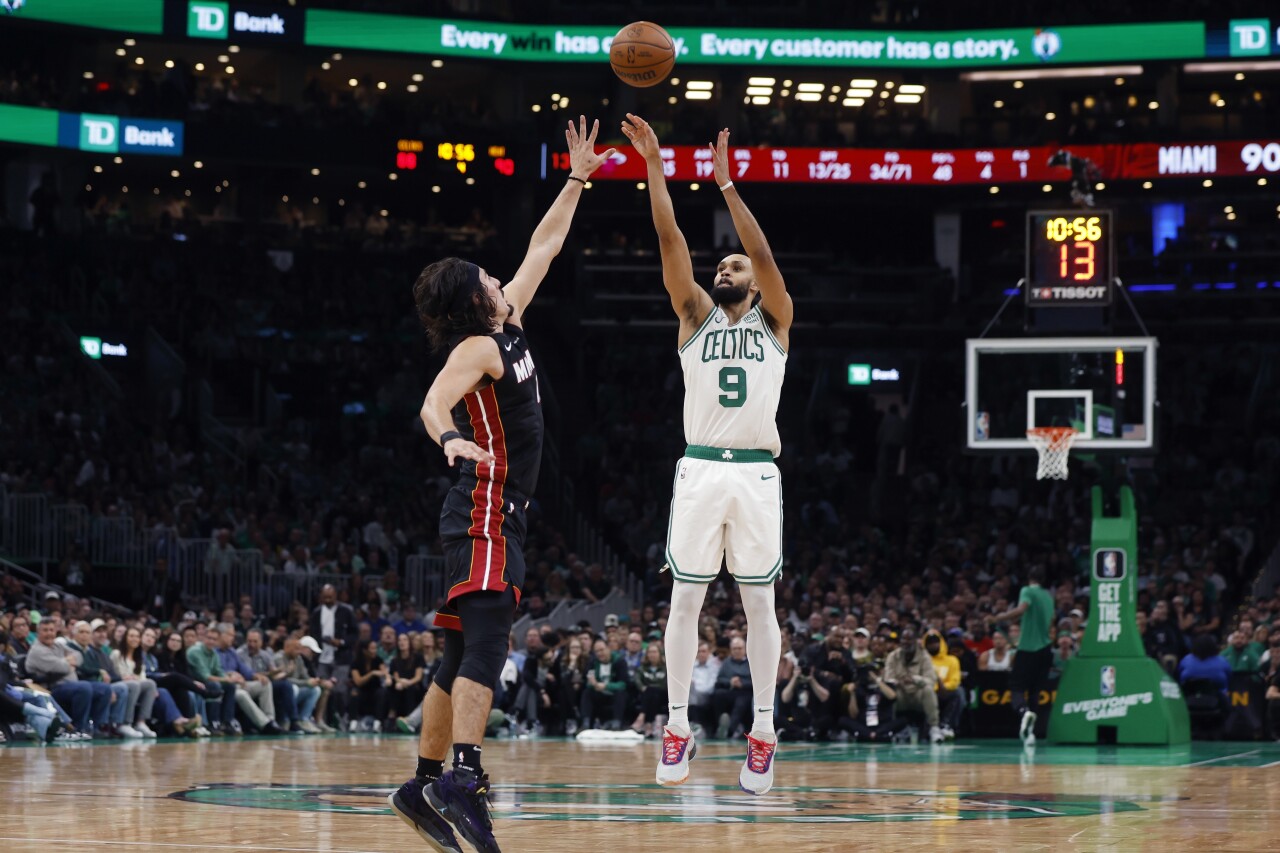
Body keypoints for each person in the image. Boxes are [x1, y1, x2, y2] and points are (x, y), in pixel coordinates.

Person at [388, 115, 614, 853]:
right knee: (489, 644)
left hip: (496, 514)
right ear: (472, 298)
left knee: (458, 656)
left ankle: (422, 783)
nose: (498, 274)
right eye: (485, 275)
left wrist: (577, 177)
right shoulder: (478, 345)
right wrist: (452, 439)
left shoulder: (508, 317)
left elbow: (544, 244)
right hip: (484, 507)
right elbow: (430, 402)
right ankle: (464, 777)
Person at [622, 115, 793, 796]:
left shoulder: (775, 316)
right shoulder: (692, 314)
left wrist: (726, 184)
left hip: (754, 470)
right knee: (684, 601)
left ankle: (762, 731)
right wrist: (656, 167)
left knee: (760, 606)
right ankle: (675, 725)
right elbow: (669, 239)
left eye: (734, 265)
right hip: (699, 466)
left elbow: (767, 255)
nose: (724, 267)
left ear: (752, 283)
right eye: (720, 263)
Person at [989, 565, 1055, 747]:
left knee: (1016, 688)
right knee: (1035, 691)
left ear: (1029, 578)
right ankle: (1030, 734)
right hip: (1045, 649)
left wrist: (998, 618)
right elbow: (1050, 621)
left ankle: (1023, 712)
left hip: (1028, 649)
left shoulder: (1027, 591)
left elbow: (1021, 609)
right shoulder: (1049, 597)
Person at [24, 618, 110, 737]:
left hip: (70, 686)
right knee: (84, 687)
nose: (49, 633)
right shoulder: (36, 651)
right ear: (38, 632)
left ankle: (97, 728)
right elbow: (60, 667)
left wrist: (66, 662)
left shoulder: (58, 645)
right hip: (51, 689)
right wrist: (67, 663)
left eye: (51, 630)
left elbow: (78, 656)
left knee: (104, 689)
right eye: (45, 630)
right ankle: (79, 728)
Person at [882, 625, 944, 744]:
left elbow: (931, 680)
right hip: (900, 694)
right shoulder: (892, 656)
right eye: (904, 639)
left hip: (917, 694)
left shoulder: (925, 656)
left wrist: (915, 679)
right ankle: (891, 728)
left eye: (909, 639)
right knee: (888, 692)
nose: (906, 642)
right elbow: (888, 679)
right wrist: (898, 681)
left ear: (916, 640)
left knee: (928, 690)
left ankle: (934, 728)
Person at [310, 584, 357, 728]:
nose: (328, 599)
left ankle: (343, 718)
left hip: (341, 658)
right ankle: (322, 720)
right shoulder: (316, 612)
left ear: (336, 595)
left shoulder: (346, 611)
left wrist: (341, 642)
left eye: (330, 597)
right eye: (325, 597)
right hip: (322, 658)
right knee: (322, 690)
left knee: (339, 690)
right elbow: (313, 633)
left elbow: (354, 634)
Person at [924, 629, 963, 739]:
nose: (933, 645)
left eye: (935, 642)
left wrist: (942, 688)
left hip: (944, 691)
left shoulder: (952, 660)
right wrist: (933, 689)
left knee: (958, 692)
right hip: (926, 692)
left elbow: (955, 680)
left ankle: (946, 726)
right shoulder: (923, 660)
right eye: (930, 643)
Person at [630, 643, 669, 737]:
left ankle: (642, 717)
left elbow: (664, 685)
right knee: (650, 692)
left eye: (654, 652)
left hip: (663, 696)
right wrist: (644, 688)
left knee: (652, 690)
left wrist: (649, 688)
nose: (652, 654)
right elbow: (637, 681)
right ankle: (649, 725)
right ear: (646, 655)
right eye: (650, 652)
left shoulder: (666, 668)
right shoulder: (642, 668)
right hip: (646, 696)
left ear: (660, 654)